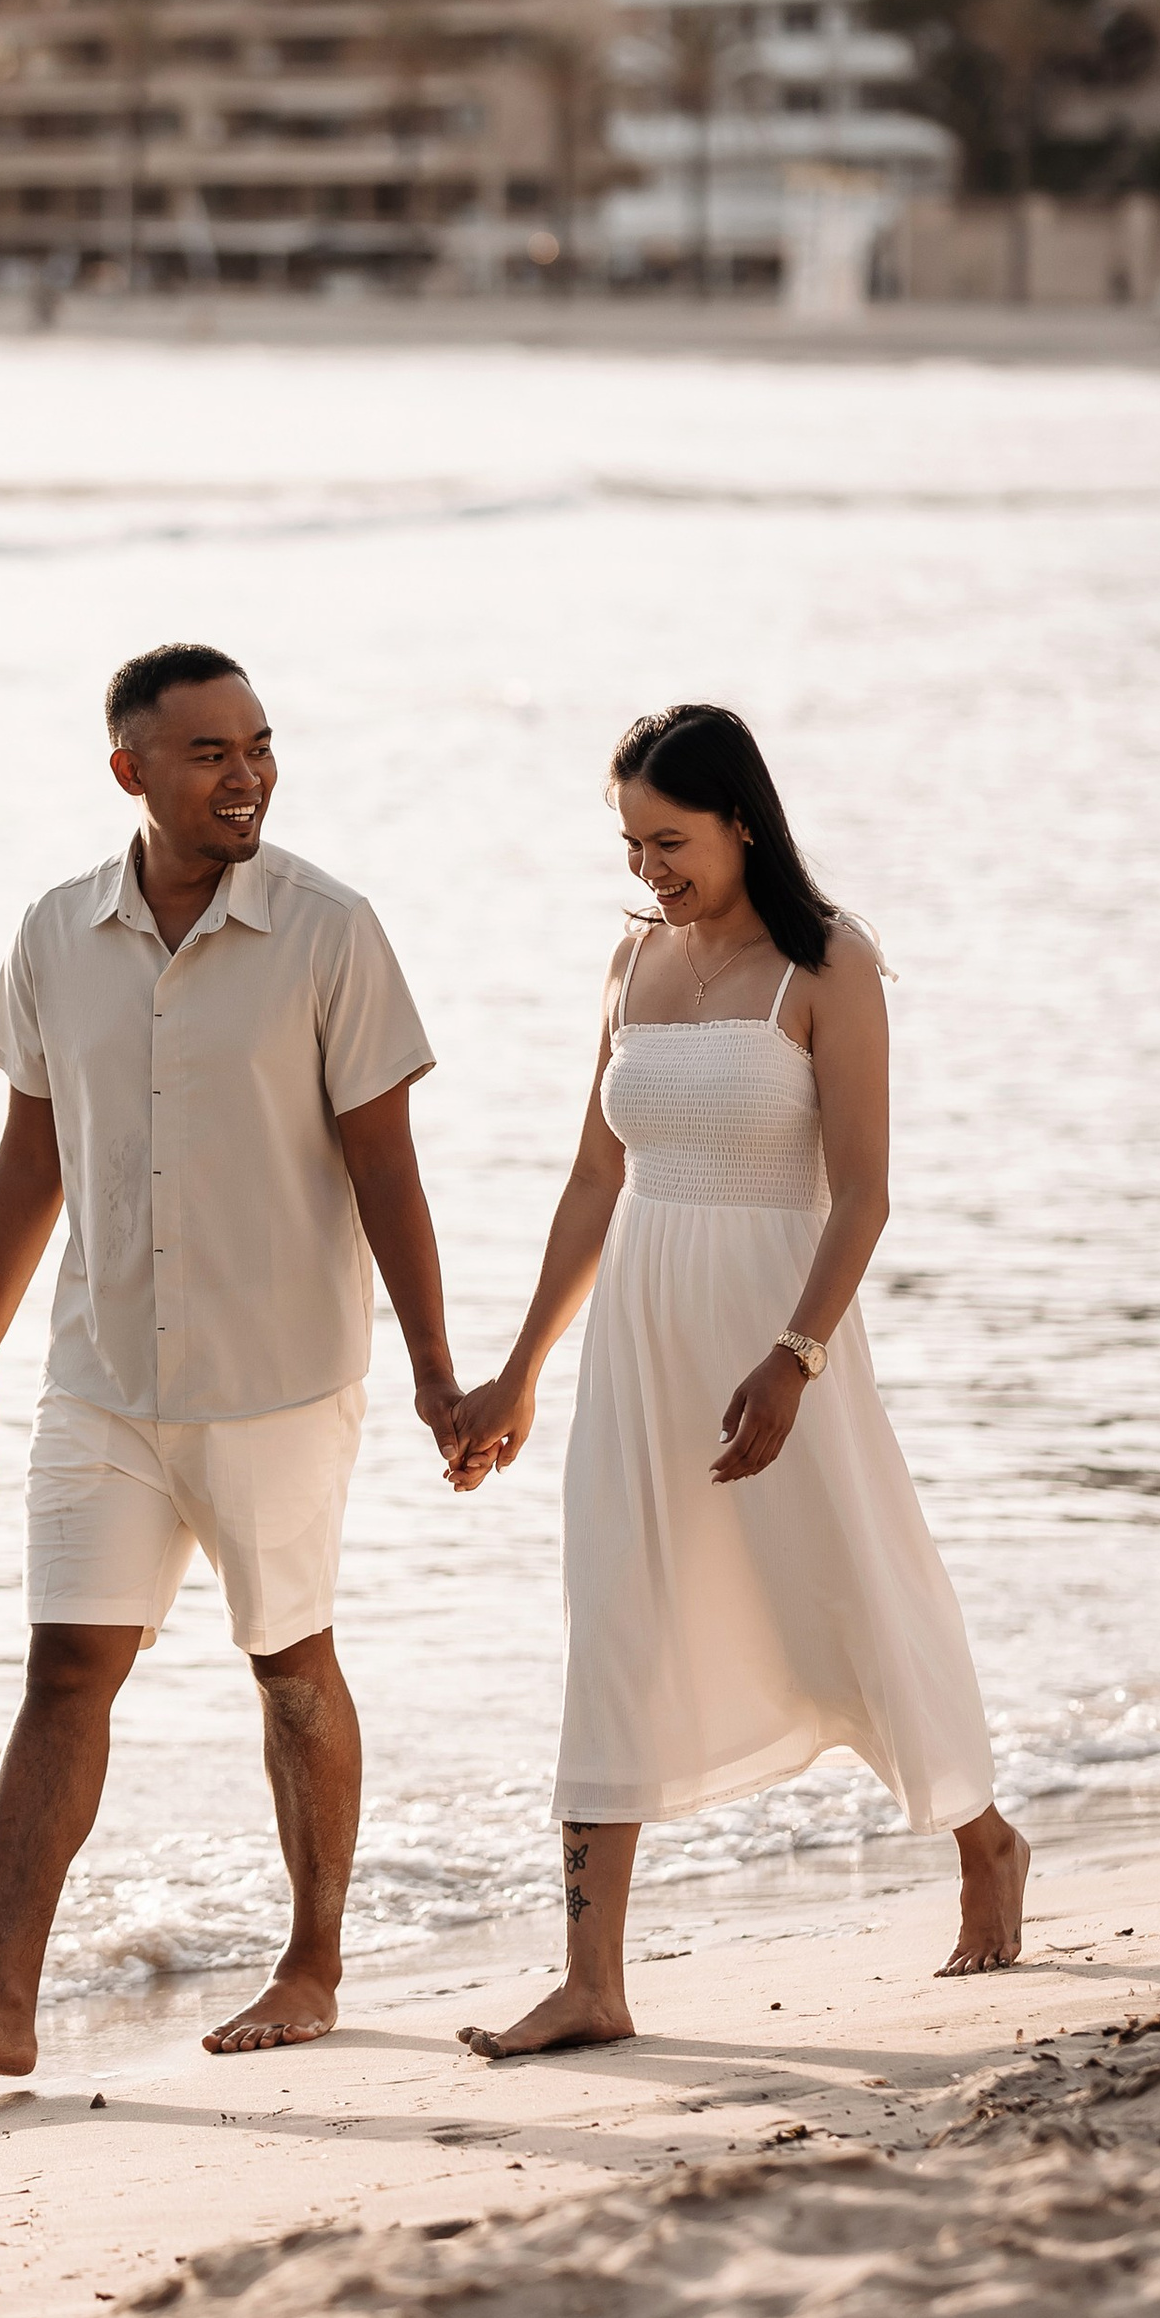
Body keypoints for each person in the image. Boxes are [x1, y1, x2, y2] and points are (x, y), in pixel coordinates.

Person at [0, 643, 463, 2074]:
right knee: (65, 1669)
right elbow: (31, 1155)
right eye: (209, 752)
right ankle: (1, 2002)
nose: (246, 772)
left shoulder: (329, 929)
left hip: (279, 1375)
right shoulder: (56, 934)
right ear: (131, 770)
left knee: (290, 1667)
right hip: (104, 1376)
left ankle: (311, 1966)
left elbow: (386, 1165)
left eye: (258, 744)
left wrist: (441, 1376)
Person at [448, 702, 1027, 2054]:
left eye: (672, 841)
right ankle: (594, 1978)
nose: (650, 870)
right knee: (616, 1617)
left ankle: (984, 1840)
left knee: (846, 1589)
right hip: (637, 1340)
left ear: (742, 822)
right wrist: (522, 1367)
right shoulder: (628, 962)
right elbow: (597, 1175)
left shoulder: (828, 964)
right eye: (632, 844)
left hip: (780, 1338)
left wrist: (796, 1358)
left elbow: (868, 1192)